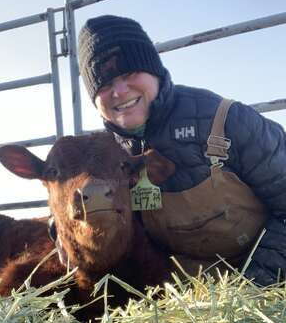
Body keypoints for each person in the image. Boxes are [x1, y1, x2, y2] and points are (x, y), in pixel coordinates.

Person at [76, 14, 286, 286]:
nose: (119, 91)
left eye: (128, 73)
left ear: (154, 70)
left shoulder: (226, 121)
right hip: (185, 297)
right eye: (103, 84)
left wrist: (257, 285)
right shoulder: (106, 156)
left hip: (266, 282)